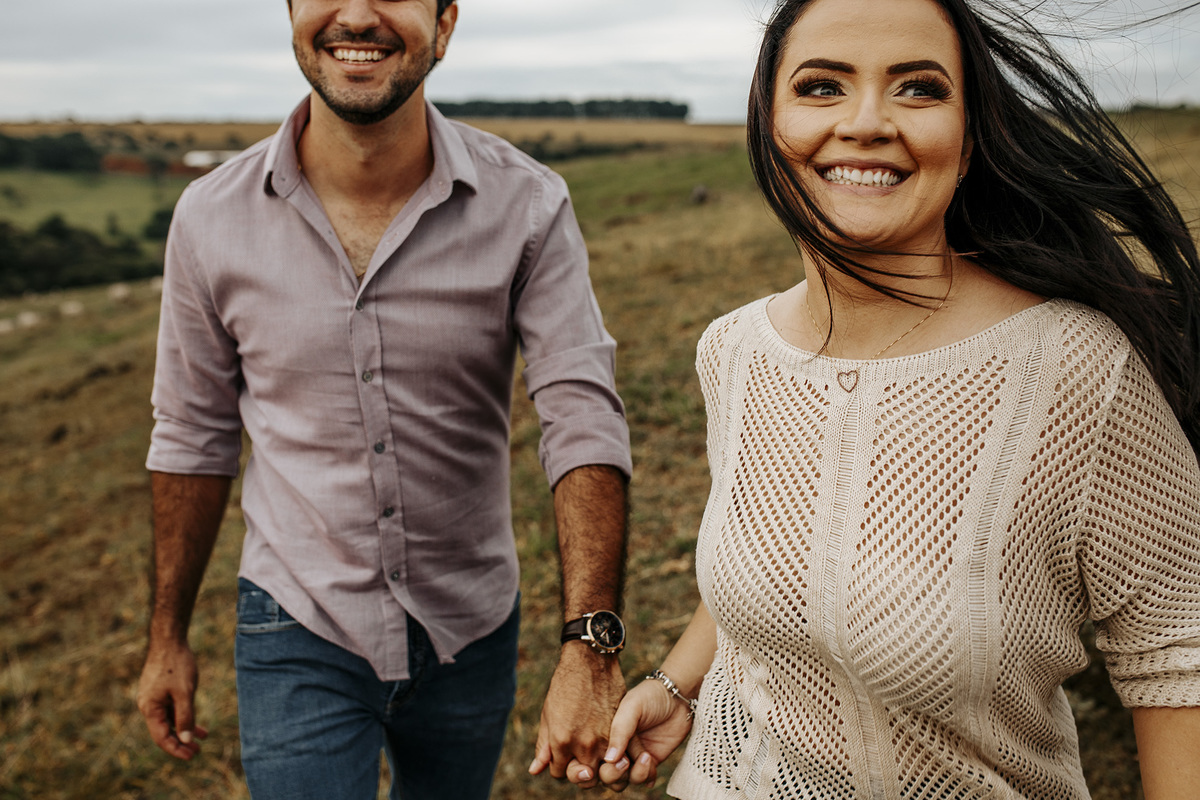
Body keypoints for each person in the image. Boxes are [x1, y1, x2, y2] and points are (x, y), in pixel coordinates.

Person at [596, 0, 1200, 797]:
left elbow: (1176, 658)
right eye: (821, 87)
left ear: (970, 138)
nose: (868, 122)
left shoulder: (1074, 369)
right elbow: (787, 546)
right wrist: (677, 686)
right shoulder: (734, 349)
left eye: (918, 89)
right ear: (765, 120)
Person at [134, 0, 633, 797]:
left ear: (445, 22)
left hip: (471, 624)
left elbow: (581, 413)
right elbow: (192, 434)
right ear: (292, 14)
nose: (358, 14)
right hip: (297, 618)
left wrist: (589, 644)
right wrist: (167, 637)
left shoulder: (528, 206)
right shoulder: (210, 219)